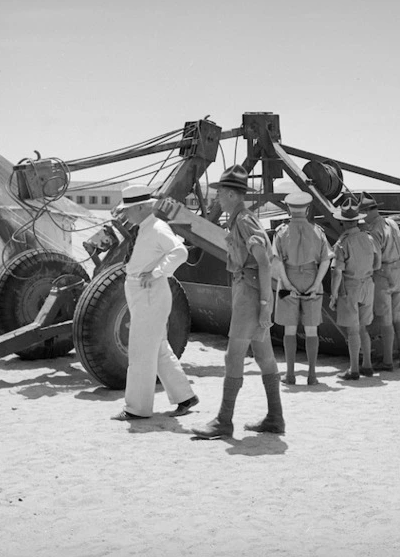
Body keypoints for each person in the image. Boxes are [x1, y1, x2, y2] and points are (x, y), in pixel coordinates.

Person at [191, 165, 285, 438]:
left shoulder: (243, 220)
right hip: (250, 291)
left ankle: (223, 421)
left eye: (220, 192)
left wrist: (266, 305)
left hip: (251, 296)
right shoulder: (239, 219)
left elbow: (264, 262)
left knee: (233, 356)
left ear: (232, 194)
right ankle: (275, 417)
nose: (217, 197)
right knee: (264, 356)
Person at [110, 185, 199, 421]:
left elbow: (180, 252)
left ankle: (136, 409)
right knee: (157, 348)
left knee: (140, 351)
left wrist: (158, 272)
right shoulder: (144, 228)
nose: (126, 214)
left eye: (128, 209)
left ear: (141, 207)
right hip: (144, 294)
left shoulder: (158, 228)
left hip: (150, 293)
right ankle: (185, 396)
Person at [272, 191, 333, 386]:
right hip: (311, 276)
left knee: (289, 329)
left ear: (289, 209)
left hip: (288, 277)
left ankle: (290, 375)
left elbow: (277, 261)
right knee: (311, 329)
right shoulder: (317, 231)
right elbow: (325, 260)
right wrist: (316, 284)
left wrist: (287, 284)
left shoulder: (281, 231)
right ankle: (312, 375)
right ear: (307, 209)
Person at [329, 195, 381, 380]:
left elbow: (337, 273)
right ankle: (367, 365)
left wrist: (334, 295)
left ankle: (353, 369)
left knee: (352, 330)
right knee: (363, 328)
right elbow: (377, 265)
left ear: (343, 223)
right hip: (368, 285)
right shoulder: (369, 238)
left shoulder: (342, 243)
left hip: (350, 288)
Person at [359, 192, 400, 371]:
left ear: (365, 212)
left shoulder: (374, 232)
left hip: (384, 273)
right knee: (398, 317)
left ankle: (388, 361)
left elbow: (376, 261)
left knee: (386, 320)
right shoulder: (392, 222)